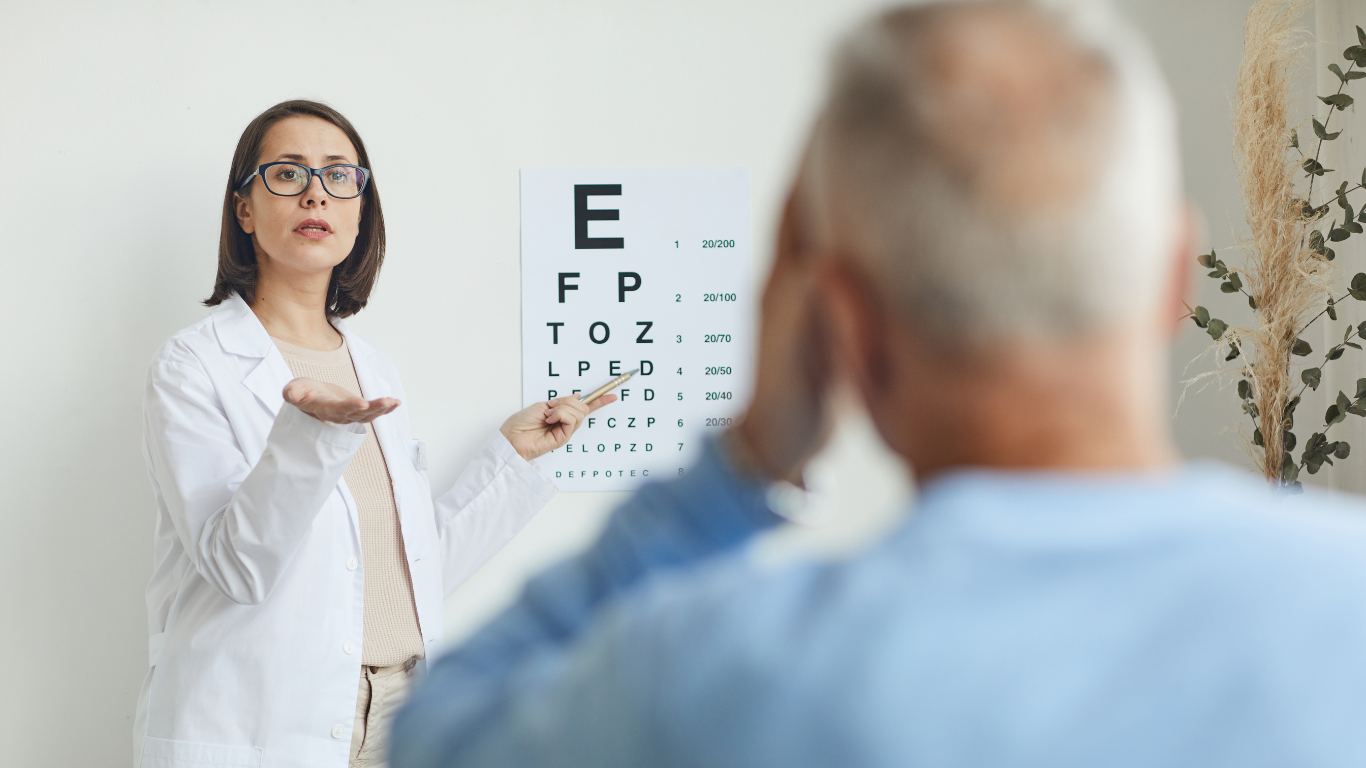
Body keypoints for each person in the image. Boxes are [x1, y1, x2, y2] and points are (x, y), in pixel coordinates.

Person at [390, 3, 1366, 767]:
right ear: (1173, 272)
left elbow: (437, 737)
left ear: (840, 332)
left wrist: (737, 470)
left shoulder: (717, 671)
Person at [135, 100, 614, 768]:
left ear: (360, 210)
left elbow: (409, 570)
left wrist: (511, 459)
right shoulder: (195, 364)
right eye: (287, 174)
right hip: (260, 724)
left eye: (339, 176)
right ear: (244, 209)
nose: (314, 194)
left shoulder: (373, 366)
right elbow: (238, 566)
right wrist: (309, 435)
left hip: (397, 712)